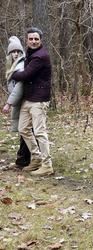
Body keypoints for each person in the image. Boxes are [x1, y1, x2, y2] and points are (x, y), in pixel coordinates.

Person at [11, 27, 53, 176]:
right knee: (23, 129)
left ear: (41, 40)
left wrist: (12, 73)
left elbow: (25, 75)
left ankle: (47, 165)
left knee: (40, 132)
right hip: (28, 98)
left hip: (39, 100)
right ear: (26, 40)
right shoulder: (29, 53)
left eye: (36, 39)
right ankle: (36, 158)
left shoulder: (40, 56)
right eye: (31, 39)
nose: (33, 41)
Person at [2, 36, 31, 169]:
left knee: (25, 130)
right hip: (21, 102)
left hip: (24, 101)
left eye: (17, 52)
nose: (15, 54)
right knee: (24, 130)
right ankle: (23, 159)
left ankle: (25, 159)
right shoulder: (14, 65)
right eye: (13, 52)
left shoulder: (20, 65)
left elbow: (19, 87)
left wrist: (9, 103)